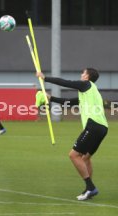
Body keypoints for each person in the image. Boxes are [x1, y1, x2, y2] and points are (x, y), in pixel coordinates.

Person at [36, 68, 108, 201]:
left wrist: (44, 78)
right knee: (85, 158)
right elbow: (68, 102)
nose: (81, 75)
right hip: (103, 128)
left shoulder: (86, 84)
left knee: (73, 155)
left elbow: (65, 83)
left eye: (83, 73)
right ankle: (88, 190)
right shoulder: (89, 91)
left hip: (93, 126)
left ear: (87, 77)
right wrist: (50, 98)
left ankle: (91, 187)